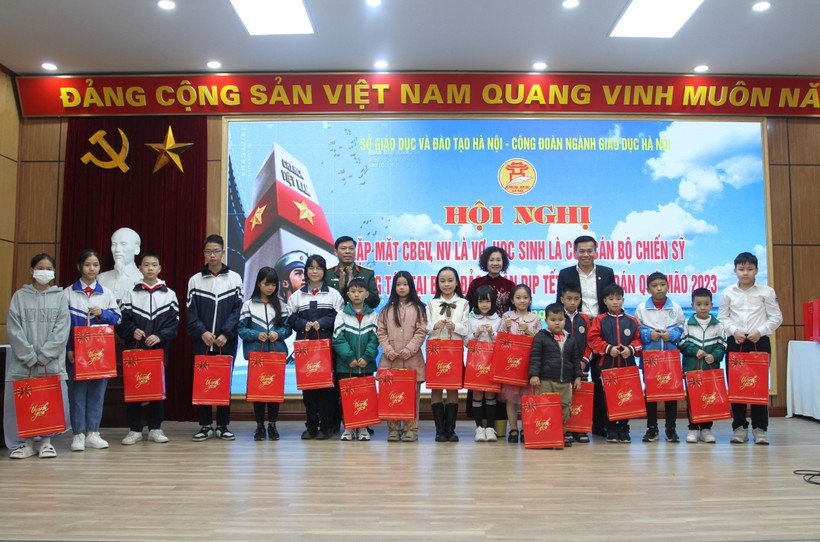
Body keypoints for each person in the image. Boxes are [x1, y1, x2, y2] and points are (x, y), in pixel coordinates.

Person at [6, 254, 71, 459]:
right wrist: (28, 355)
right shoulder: (19, 296)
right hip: (24, 363)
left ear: (54, 272)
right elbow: (14, 329)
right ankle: (27, 444)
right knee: (26, 402)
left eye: (49, 268)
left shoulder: (60, 297)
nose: (45, 271)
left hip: (49, 363)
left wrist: (45, 355)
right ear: (32, 270)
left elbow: (62, 330)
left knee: (47, 401)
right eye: (40, 268)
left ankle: (46, 442)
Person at [718, 251, 782, 445]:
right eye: (741, 269)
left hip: (758, 341)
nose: (745, 273)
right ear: (735, 271)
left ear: (756, 270)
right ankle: (739, 427)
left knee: (758, 386)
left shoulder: (766, 291)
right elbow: (722, 318)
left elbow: (776, 317)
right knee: (737, 386)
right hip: (736, 341)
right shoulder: (728, 292)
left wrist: (760, 331)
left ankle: (760, 429)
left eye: (749, 269)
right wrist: (734, 331)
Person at [555, 235, 615, 438]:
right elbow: (559, 303)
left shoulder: (606, 273)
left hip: (601, 328)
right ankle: (574, 425)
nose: (586, 254)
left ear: (596, 252)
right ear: (575, 252)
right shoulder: (566, 274)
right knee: (575, 376)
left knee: (600, 377)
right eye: (582, 251)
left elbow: (611, 299)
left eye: (590, 250)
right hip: (576, 326)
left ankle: (600, 424)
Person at [117, 251, 179, 445]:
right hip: (136, 348)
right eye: (146, 265)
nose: (150, 268)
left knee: (157, 390)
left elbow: (174, 323)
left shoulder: (169, 294)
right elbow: (122, 321)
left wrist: (160, 336)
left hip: (158, 349)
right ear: (140, 268)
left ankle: (155, 428)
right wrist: (132, 331)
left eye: (154, 265)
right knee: (134, 389)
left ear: (160, 268)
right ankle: (134, 429)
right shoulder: (130, 293)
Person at [186, 234, 243, 442]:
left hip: (226, 340)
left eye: (216, 251)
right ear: (204, 253)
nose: (212, 255)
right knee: (203, 382)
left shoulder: (234, 278)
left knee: (223, 381)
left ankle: (223, 425)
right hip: (202, 339)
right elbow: (191, 312)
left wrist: (225, 333)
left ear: (223, 252)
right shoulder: (195, 280)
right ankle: (204, 425)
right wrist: (202, 332)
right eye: (208, 251)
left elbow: (238, 310)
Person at [65, 249, 121, 452]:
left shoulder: (106, 293)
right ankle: (78, 434)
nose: (91, 268)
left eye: (95, 265)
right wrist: (69, 348)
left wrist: (103, 313)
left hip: (100, 353)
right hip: (76, 352)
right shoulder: (67, 293)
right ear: (79, 266)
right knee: (77, 393)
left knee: (97, 393)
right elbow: (62, 325)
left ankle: (93, 433)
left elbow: (118, 319)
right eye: (87, 264)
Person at [288, 254, 344, 440]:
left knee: (327, 388)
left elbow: (339, 316)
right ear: (306, 271)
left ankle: (327, 426)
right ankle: (311, 425)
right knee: (309, 388)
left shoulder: (333, 294)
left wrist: (322, 323)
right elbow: (290, 318)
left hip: (327, 349)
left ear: (324, 271)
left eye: (318, 268)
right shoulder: (297, 296)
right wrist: (303, 324)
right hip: (305, 349)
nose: (314, 271)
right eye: (311, 268)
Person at [238, 266, 292, 441]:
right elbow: (241, 329)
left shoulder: (281, 305)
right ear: (259, 284)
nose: (270, 288)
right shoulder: (248, 305)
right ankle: (260, 426)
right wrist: (256, 334)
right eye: (267, 284)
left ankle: (273, 425)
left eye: (273, 284)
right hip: (257, 356)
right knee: (259, 392)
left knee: (274, 393)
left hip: (276, 355)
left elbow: (288, 328)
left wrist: (278, 334)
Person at [376, 271, 427, 442]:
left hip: (412, 359)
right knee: (391, 395)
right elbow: (381, 332)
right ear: (394, 287)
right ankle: (393, 429)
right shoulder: (386, 310)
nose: (402, 287)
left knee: (412, 396)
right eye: (398, 284)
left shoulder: (419, 308)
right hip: (390, 359)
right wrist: (387, 349)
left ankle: (411, 429)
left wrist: (410, 349)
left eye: (405, 284)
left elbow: (421, 331)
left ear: (410, 286)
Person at [588, 283, 642, 443]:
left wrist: (630, 349)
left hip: (627, 365)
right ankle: (610, 428)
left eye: (618, 298)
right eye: (611, 299)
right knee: (608, 398)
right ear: (605, 301)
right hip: (606, 365)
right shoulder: (599, 320)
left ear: (623, 300)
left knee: (627, 397)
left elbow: (639, 341)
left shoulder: (632, 321)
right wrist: (608, 348)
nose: (615, 302)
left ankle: (624, 428)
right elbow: (592, 339)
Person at [635, 272, 685, 444]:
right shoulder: (641, 308)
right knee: (650, 394)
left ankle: (671, 429)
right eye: (654, 286)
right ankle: (652, 428)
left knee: (672, 394)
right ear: (648, 289)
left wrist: (672, 335)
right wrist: (649, 335)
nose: (659, 289)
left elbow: (682, 328)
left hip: (671, 358)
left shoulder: (676, 308)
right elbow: (637, 331)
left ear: (668, 286)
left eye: (662, 285)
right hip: (650, 358)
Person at [529, 302, 583, 448]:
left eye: (560, 319)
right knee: (545, 407)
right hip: (546, 380)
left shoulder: (570, 338)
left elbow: (575, 359)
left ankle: (561, 433)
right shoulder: (541, 336)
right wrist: (534, 375)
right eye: (553, 320)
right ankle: (546, 434)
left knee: (565, 407)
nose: (557, 323)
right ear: (546, 320)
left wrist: (578, 377)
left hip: (565, 381)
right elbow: (535, 357)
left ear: (565, 320)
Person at [332, 277, 379, 441]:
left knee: (365, 396)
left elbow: (375, 339)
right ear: (348, 294)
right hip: (346, 366)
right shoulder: (341, 315)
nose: (356, 294)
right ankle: (348, 427)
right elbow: (338, 339)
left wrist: (367, 357)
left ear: (367, 294)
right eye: (353, 291)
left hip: (366, 365)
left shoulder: (373, 315)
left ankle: (364, 427)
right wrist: (349, 358)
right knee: (347, 398)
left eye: (360, 291)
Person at [426, 266, 469, 443]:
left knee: (453, 389)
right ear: (437, 283)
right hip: (436, 350)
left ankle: (451, 429)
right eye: (442, 281)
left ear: (457, 282)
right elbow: (425, 326)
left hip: (454, 351)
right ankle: (440, 430)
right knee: (436, 388)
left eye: (450, 280)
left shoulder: (464, 303)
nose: (446, 284)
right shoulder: (431, 303)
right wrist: (434, 326)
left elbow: (466, 328)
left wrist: (455, 326)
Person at [679, 287, 726, 444]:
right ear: (692, 305)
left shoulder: (718, 325)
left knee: (709, 398)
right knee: (692, 399)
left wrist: (715, 356)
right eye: (699, 304)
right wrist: (695, 350)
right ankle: (693, 428)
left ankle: (706, 429)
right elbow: (681, 343)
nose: (703, 307)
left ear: (712, 305)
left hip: (710, 370)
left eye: (706, 304)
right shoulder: (687, 323)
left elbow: (723, 345)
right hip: (691, 369)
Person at [500, 284, 542, 443]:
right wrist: (506, 328)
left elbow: (541, 340)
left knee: (527, 398)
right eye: (518, 298)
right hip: (510, 363)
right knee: (510, 398)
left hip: (528, 363)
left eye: (525, 298)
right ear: (512, 300)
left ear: (530, 300)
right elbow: (500, 339)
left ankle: (526, 428)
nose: (522, 301)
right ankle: (513, 429)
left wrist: (529, 330)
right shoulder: (507, 316)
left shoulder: (536, 318)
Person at [465, 285, 502, 442]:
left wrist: (493, 333)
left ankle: (490, 428)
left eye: (487, 301)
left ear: (493, 302)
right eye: (481, 301)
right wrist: (477, 333)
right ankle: (479, 428)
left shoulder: (498, 319)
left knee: (490, 393)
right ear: (476, 302)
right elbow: (466, 342)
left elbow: (502, 341)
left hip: (492, 361)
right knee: (477, 393)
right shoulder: (471, 320)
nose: (484, 305)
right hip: (475, 363)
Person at [560, 282, 593, 443]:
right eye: (569, 299)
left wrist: (584, 361)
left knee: (581, 396)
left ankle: (581, 429)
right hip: (563, 366)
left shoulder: (585, 318)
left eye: (576, 299)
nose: (573, 302)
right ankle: (566, 429)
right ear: (562, 299)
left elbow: (590, 342)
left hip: (582, 365)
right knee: (565, 397)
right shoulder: (558, 317)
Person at [327, 236, 379, 308]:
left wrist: (354, 288)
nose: (347, 251)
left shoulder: (367, 273)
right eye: (343, 248)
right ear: (336, 252)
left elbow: (375, 302)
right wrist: (340, 289)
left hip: (359, 314)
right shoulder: (328, 273)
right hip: (335, 314)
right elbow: (324, 301)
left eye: (351, 248)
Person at [466, 245, 515, 315]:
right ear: (486, 262)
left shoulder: (510, 285)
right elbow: (466, 308)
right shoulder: (476, 283)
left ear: (503, 262)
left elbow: (516, 310)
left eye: (498, 260)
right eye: (491, 260)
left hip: (503, 321)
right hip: (479, 321)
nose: (495, 263)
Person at [98, 227, 144, 301]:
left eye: (123, 244)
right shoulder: (101, 278)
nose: (117, 249)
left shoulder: (143, 279)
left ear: (136, 249)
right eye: (114, 244)